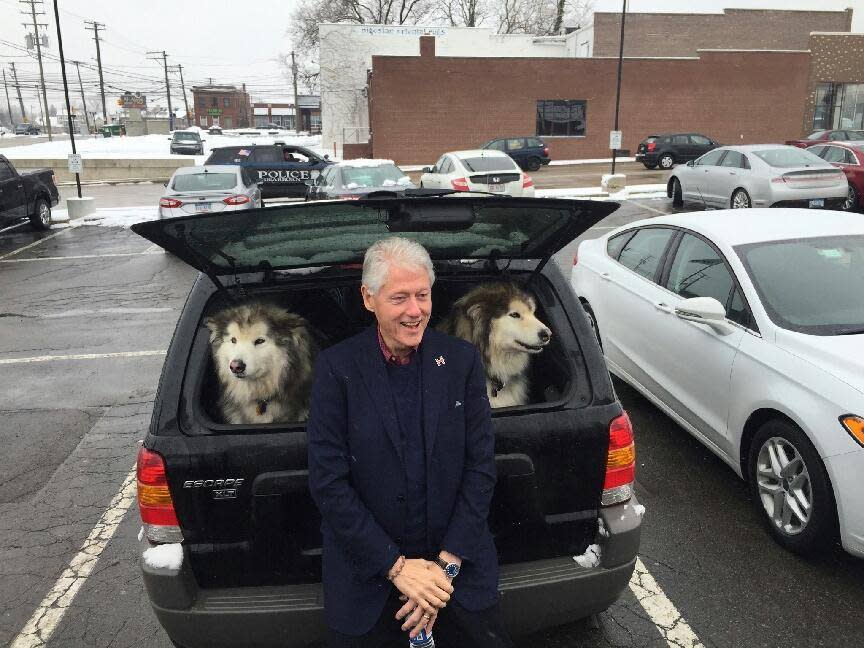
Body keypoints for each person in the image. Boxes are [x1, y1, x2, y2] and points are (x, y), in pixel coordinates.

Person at [307, 237, 513, 647]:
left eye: (422, 295)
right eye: (400, 298)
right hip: (367, 575)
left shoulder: (460, 361)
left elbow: (480, 466)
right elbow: (329, 483)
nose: (415, 311)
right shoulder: (336, 369)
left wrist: (445, 568)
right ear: (369, 298)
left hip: (457, 570)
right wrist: (397, 569)